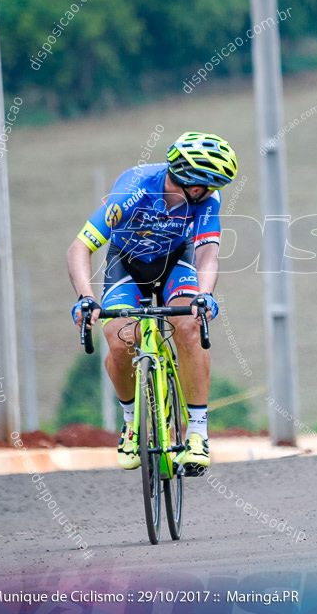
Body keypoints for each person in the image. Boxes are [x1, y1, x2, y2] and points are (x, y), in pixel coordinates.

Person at [67, 131, 238, 474]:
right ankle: (131, 423)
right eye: (208, 184)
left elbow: (207, 254)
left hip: (177, 260)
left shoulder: (208, 200)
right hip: (126, 262)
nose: (211, 192)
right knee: (119, 339)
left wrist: (204, 295)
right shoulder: (134, 190)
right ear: (192, 181)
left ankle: (197, 434)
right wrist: (86, 298)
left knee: (188, 325)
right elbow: (80, 248)